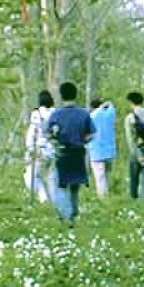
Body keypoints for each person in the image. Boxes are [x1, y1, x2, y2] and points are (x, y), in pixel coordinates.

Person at [47, 81, 95, 225]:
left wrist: (55, 140)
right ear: (75, 95)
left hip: (63, 152)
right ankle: (73, 212)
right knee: (75, 185)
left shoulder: (56, 114)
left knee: (61, 184)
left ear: (61, 96)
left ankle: (66, 215)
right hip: (79, 152)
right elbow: (91, 134)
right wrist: (83, 140)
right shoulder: (84, 114)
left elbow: (48, 134)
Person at [24, 90, 56, 203]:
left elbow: (32, 132)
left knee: (30, 176)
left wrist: (30, 149)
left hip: (40, 150)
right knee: (51, 177)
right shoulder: (56, 113)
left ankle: (43, 197)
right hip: (54, 150)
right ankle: (53, 200)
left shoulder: (36, 114)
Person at [88, 98, 117, 197]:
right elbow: (111, 105)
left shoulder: (92, 116)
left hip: (96, 152)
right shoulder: (109, 114)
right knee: (107, 175)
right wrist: (106, 104)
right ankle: (108, 195)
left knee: (100, 177)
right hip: (110, 151)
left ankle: (103, 198)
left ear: (92, 107)